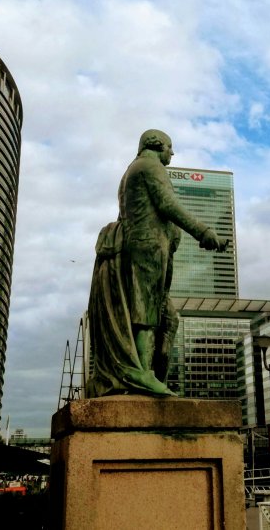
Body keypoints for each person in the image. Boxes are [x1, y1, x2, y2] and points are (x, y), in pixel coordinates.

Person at [86, 129, 228, 397]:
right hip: (147, 248)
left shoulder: (132, 170)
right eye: (170, 147)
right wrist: (204, 232)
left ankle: (151, 375)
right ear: (157, 145)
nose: (172, 153)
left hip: (146, 246)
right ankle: (141, 375)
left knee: (166, 317)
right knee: (146, 315)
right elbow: (168, 204)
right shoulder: (150, 166)